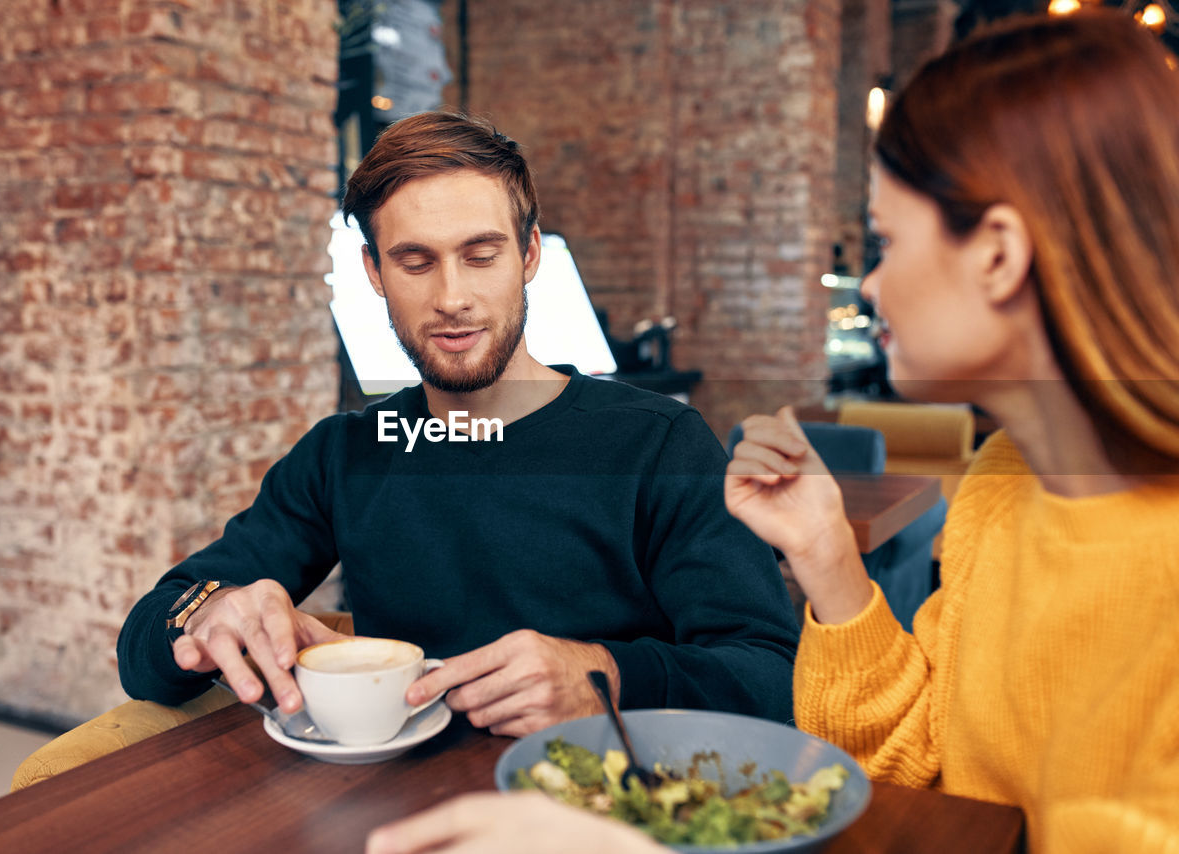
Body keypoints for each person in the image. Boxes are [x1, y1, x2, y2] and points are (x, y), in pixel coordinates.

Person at [364, 11, 1179, 854]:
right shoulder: (1007, 483)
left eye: (886, 242)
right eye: (416, 260)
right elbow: (911, 767)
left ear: (998, 257)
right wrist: (828, 556)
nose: (871, 289)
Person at [116, 111, 799, 736]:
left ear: (529, 255)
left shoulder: (658, 445)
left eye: (481, 255)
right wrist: (213, 612)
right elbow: (147, 642)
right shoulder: (344, 455)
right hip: (398, 809)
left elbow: (772, 676)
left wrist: (607, 679)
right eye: (415, 261)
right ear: (375, 272)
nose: (452, 299)